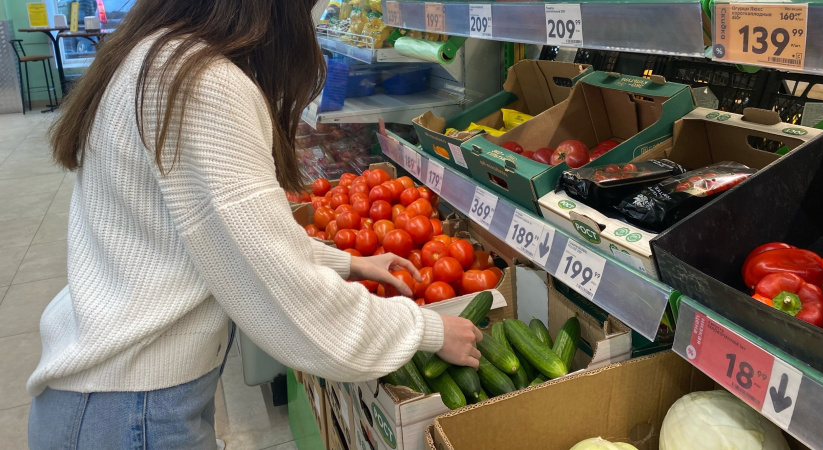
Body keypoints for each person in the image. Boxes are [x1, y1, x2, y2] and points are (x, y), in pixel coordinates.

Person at [27, 0, 482, 448]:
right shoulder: (203, 84)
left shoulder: (156, 54)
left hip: (109, 401)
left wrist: (347, 262)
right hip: (132, 414)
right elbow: (282, 294)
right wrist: (427, 329)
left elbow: (217, 239)